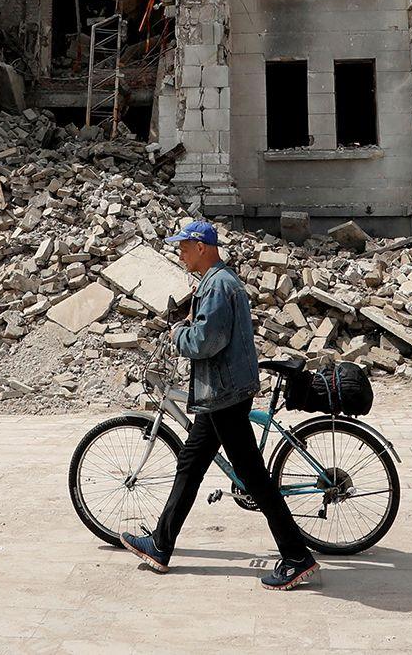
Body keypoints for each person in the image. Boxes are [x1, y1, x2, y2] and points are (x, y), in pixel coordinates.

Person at [119, 219, 320, 591]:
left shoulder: (218, 285)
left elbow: (206, 341)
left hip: (224, 395)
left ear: (201, 247)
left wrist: (179, 333)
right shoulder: (217, 282)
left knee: (254, 478)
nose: (180, 253)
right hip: (220, 395)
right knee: (191, 464)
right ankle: (161, 546)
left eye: (183, 246)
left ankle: (297, 557)